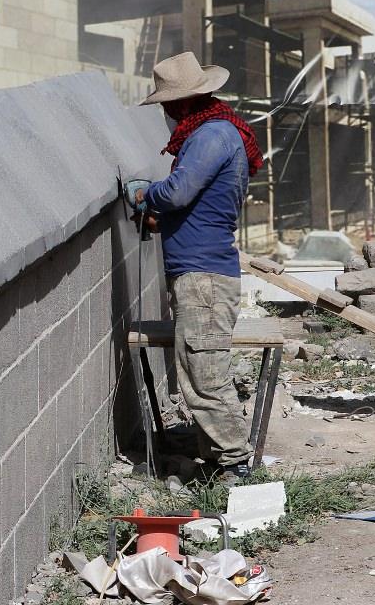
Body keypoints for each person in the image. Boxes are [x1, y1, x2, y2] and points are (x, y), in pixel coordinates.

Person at [133, 52, 265, 477]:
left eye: (168, 105)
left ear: (184, 102)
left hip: (204, 278)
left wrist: (144, 195)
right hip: (203, 273)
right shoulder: (216, 133)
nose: (167, 115)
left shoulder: (210, 136)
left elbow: (177, 192)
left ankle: (236, 465)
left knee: (205, 378)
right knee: (198, 370)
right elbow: (194, 206)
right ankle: (217, 460)